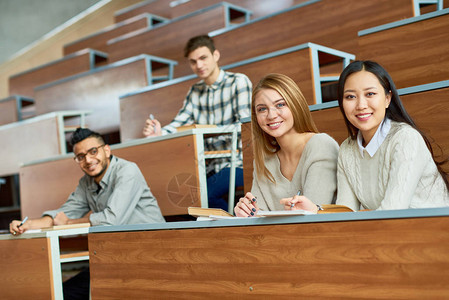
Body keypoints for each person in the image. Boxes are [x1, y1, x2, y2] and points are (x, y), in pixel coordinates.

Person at [10, 127, 165, 300]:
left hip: (153, 255)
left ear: (106, 150)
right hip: (116, 259)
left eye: (93, 152)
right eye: (81, 157)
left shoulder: (127, 171)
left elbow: (111, 220)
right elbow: (62, 214)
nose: (88, 160)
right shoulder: (86, 183)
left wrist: (70, 224)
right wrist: (27, 224)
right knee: (63, 293)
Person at [283, 60, 449, 213]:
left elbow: (392, 212)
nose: (361, 105)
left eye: (370, 94)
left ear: (387, 99)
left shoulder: (406, 138)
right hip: (391, 235)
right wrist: (314, 209)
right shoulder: (347, 149)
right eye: (350, 97)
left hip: (431, 234)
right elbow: (347, 213)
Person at [142, 35, 252, 211]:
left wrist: (207, 131)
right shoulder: (195, 91)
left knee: (204, 196)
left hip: (237, 163)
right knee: (181, 196)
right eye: (193, 62)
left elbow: (245, 125)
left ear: (215, 55)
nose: (199, 65)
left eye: (203, 58)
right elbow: (180, 121)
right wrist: (159, 132)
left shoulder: (238, 82)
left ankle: (235, 226)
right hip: (207, 167)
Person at [234, 73, 339, 217]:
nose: (271, 115)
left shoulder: (321, 146)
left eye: (280, 105)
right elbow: (258, 219)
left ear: (295, 104)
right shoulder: (264, 161)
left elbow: (312, 218)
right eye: (262, 109)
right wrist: (246, 213)